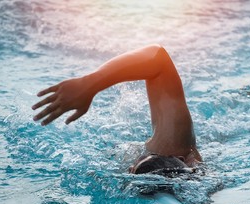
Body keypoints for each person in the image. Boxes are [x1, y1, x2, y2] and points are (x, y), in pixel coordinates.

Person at [32, 44, 202, 174]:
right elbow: (158, 58)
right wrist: (88, 84)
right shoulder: (174, 148)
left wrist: (88, 84)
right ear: (181, 160)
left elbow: (157, 56)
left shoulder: (169, 151)